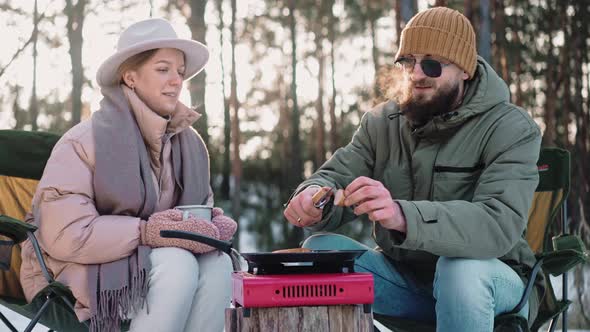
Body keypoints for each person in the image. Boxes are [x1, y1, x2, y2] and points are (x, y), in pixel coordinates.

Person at [283, 6, 543, 332]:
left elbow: (497, 225)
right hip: (408, 282)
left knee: (459, 270)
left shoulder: (510, 128)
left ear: (465, 69)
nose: (417, 73)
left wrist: (403, 216)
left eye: (432, 64)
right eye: (408, 61)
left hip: (491, 281)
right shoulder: (382, 123)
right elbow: (336, 175)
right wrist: (313, 196)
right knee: (318, 252)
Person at [20, 18, 237, 332]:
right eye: (163, 69)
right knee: (176, 264)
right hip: (70, 270)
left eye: (179, 71)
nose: (176, 80)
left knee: (218, 266)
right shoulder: (84, 141)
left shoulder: (191, 146)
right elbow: (66, 234)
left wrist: (210, 227)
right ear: (130, 77)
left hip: (157, 265)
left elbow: (193, 216)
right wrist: (146, 233)